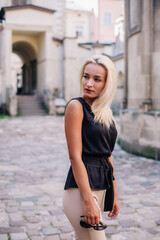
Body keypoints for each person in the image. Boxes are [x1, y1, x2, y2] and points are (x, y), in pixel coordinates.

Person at [63, 55, 120, 240]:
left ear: (107, 84)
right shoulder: (76, 106)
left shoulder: (105, 112)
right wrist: (88, 201)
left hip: (101, 188)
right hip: (81, 191)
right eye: (86, 76)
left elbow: (108, 154)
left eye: (97, 79)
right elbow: (75, 157)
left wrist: (114, 195)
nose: (89, 83)